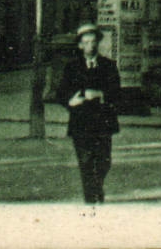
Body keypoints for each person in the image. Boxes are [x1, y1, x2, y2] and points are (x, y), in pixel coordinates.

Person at [58, 23, 121, 204]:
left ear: (98, 43)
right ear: (80, 45)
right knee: (86, 163)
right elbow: (61, 93)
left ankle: (96, 188)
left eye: (93, 42)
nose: (90, 46)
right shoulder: (72, 68)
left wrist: (101, 94)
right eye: (86, 42)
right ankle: (91, 199)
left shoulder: (108, 66)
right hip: (81, 123)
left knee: (103, 162)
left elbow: (117, 92)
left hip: (103, 123)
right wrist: (71, 101)